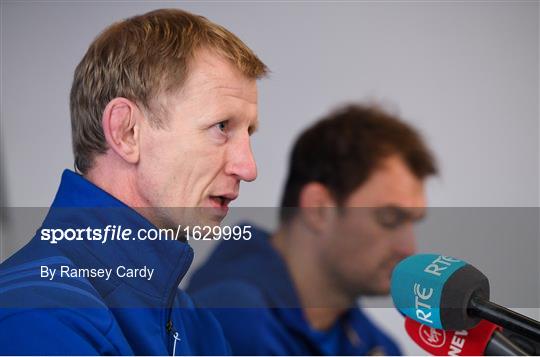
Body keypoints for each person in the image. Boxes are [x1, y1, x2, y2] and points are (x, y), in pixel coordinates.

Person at [0, 8, 267, 355]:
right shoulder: (36, 317)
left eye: (249, 133)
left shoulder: (191, 323)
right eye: (221, 127)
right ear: (126, 132)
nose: (248, 167)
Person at [188, 104, 438, 355]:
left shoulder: (377, 346)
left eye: (412, 223)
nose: (409, 248)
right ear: (319, 208)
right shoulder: (230, 320)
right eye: (390, 218)